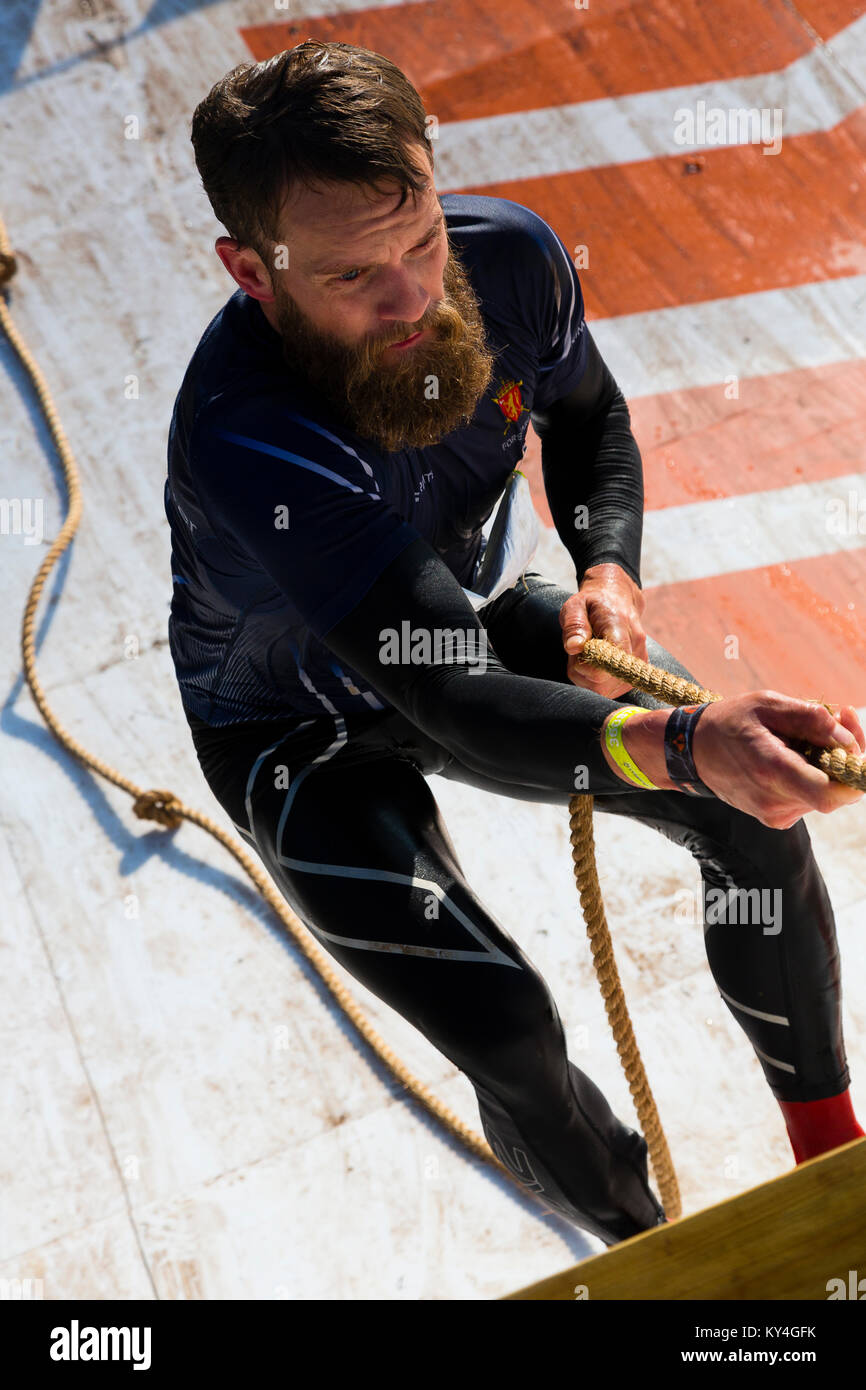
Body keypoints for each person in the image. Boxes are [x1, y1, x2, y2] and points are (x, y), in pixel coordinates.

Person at [164, 41, 865, 1246]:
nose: (411, 301)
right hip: (301, 731)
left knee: (753, 818)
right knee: (503, 1026)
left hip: (465, 623)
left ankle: (831, 1155)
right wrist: (684, 739)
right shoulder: (247, 437)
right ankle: (649, 1250)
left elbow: (588, 421)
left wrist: (606, 571)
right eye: (353, 277)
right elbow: (454, 698)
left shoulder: (511, 260)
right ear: (251, 273)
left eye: (421, 238)